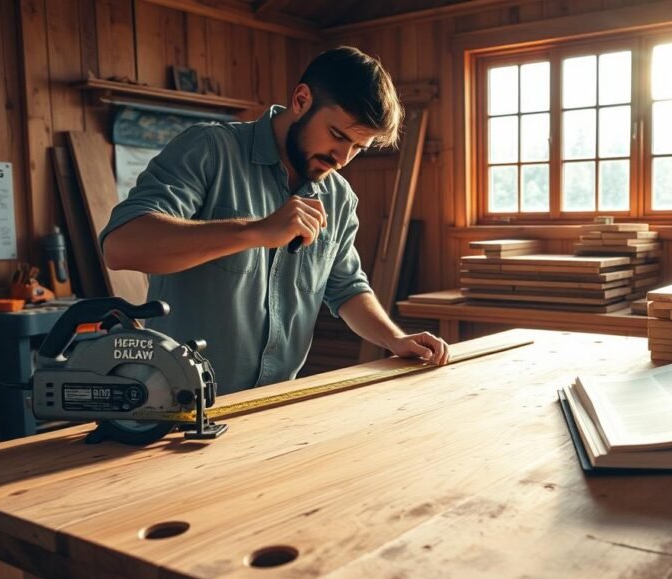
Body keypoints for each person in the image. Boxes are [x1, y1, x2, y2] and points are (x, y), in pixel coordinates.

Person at [100, 46, 449, 393]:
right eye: (338, 135)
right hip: (178, 404)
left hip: (273, 404)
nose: (343, 158)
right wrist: (254, 231)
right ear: (301, 100)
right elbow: (121, 246)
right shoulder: (209, 150)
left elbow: (346, 288)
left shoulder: (339, 197)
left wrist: (395, 338)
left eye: (359, 147)